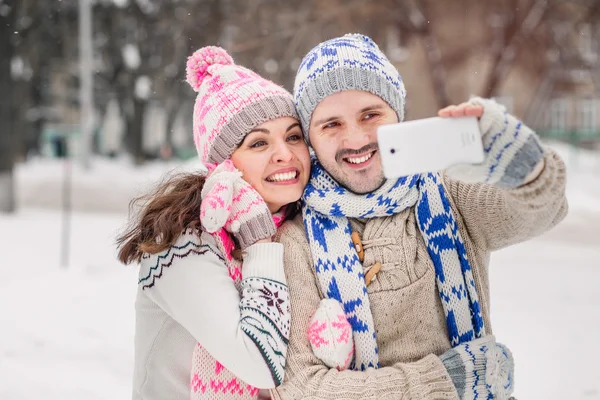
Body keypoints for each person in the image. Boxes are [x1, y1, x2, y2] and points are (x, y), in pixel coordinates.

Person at [272, 34, 568, 400]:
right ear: (311, 139)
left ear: (398, 114)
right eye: (331, 124)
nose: (356, 138)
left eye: (371, 114)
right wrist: (444, 381)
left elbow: (539, 209)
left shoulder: (451, 192)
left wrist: (520, 162)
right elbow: (303, 389)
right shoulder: (295, 241)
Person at [117, 46, 311, 400]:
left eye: (294, 136)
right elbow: (261, 365)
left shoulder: (301, 226)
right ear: (224, 166)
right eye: (258, 143)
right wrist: (260, 244)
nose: (285, 153)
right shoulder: (182, 240)